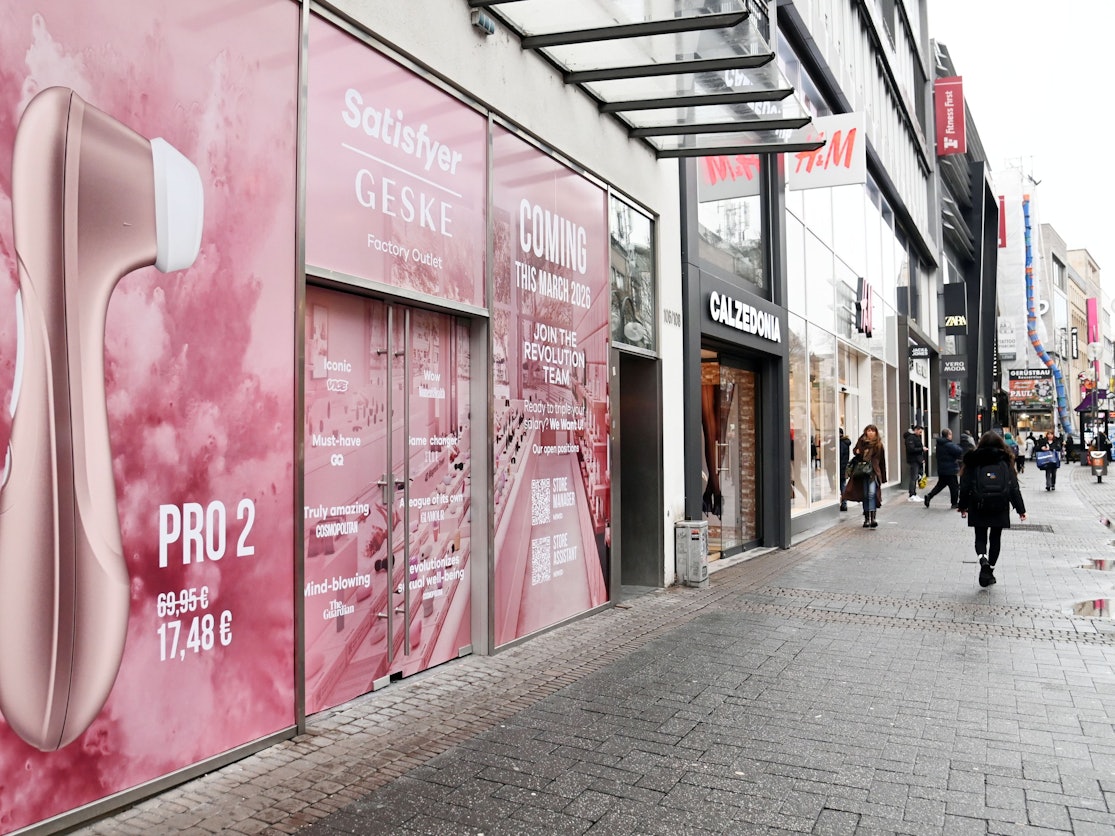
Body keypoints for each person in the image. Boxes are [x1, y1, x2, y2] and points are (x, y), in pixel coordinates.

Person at [958, 431, 1027, 587]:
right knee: (996, 537)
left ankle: (983, 560)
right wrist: (1021, 509)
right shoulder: (1004, 459)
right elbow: (1013, 488)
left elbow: (965, 486)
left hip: (978, 504)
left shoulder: (973, 460)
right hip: (1000, 504)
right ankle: (990, 569)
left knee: (980, 536)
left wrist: (963, 506)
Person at [841, 424, 887, 529]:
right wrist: (857, 451)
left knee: (871, 493)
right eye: (868, 431)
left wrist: (883, 477)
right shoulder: (861, 442)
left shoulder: (879, 445)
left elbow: (882, 462)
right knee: (865, 494)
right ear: (865, 432)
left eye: (872, 431)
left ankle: (873, 518)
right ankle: (866, 519)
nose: (870, 433)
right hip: (862, 472)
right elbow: (855, 451)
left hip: (873, 473)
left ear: (876, 432)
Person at [924, 428, 963, 509]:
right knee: (954, 487)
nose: (951, 436)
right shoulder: (949, 444)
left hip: (942, 469)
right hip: (950, 469)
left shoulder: (939, 444)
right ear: (948, 435)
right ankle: (954, 503)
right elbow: (959, 451)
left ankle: (929, 496)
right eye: (951, 434)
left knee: (940, 485)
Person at [903, 424, 926, 501]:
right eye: (920, 432)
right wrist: (922, 449)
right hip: (913, 460)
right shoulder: (910, 438)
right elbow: (911, 449)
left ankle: (914, 494)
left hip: (917, 460)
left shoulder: (916, 437)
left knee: (916, 477)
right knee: (913, 477)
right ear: (916, 430)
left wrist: (921, 458)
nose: (921, 433)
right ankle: (911, 494)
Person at [838, 427, 852, 512]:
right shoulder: (845, 442)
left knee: (842, 485)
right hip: (844, 466)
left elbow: (839, 455)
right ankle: (844, 503)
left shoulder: (841, 443)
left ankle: (844, 504)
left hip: (841, 467)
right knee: (842, 485)